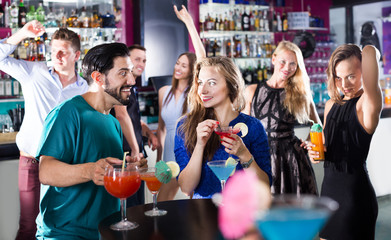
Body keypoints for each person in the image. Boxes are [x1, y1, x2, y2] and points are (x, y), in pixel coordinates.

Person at [35, 42, 146, 239]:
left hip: (104, 231)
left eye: (130, 72)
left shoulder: (113, 123)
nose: (132, 80)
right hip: (65, 234)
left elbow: (105, 170)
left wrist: (127, 168)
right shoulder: (68, 113)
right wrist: (90, 170)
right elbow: (46, 171)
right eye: (123, 73)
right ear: (98, 78)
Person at [0, 20, 89, 240]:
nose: (57, 56)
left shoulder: (85, 89)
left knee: (61, 227)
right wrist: (22, 33)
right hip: (32, 163)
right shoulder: (34, 72)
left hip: (66, 166)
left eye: (64, 52)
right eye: (54, 50)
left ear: (76, 56)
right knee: (29, 227)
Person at [307, 44, 381, 240]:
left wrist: (366, 49)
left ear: (363, 72)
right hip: (329, 196)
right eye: (338, 77)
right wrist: (314, 152)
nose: (344, 84)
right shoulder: (331, 105)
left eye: (351, 76)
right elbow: (328, 148)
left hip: (354, 199)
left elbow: (370, 52)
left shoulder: (367, 103)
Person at [175, 56, 272, 199]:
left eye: (212, 83)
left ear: (231, 85)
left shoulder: (253, 127)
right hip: (202, 212)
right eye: (200, 83)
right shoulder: (185, 126)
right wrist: (200, 145)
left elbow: (264, 186)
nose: (203, 90)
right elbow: (186, 188)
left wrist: (244, 155)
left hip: (241, 211)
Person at [243, 40, 321, 195]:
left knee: (292, 211)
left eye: (293, 64)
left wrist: (308, 141)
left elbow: (317, 125)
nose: (287, 68)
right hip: (260, 156)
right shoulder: (252, 91)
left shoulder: (301, 94)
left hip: (291, 159)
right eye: (283, 62)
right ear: (273, 59)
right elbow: (245, 131)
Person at [156, 5, 206, 201]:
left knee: (194, 198)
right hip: (168, 153)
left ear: (192, 70)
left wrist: (189, 24)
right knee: (162, 201)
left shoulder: (195, 92)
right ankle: (163, 232)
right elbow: (161, 129)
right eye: (178, 63)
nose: (178, 67)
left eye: (184, 65)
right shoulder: (163, 92)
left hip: (189, 150)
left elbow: (202, 59)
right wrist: (160, 160)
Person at [111, 44, 160, 207]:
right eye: (137, 59)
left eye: (144, 60)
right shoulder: (122, 84)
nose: (141, 64)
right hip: (126, 155)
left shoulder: (132, 86)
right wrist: (136, 150)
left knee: (139, 203)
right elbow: (121, 115)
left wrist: (149, 133)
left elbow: (133, 118)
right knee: (130, 203)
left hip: (135, 151)